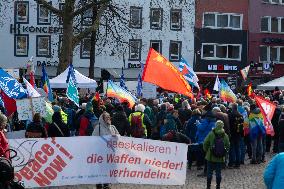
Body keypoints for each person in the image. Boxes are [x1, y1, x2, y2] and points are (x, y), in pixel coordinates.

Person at [92, 111, 119, 189]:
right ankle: (99, 183)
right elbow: (93, 138)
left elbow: (119, 136)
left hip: (111, 153)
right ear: (102, 119)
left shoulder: (113, 127)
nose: (108, 118)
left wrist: (116, 136)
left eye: (109, 116)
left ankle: (106, 184)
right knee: (101, 168)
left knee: (109, 168)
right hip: (101, 152)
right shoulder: (98, 127)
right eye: (106, 117)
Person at [203, 120, 230, 189]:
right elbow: (228, 145)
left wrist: (207, 151)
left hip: (210, 156)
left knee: (209, 173)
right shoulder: (225, 135)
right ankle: (218, 186)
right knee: (218, 173)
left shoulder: (211, 133)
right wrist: (224, 152)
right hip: (220, 158)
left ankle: (208, 186)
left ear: (216, 125)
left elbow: (205, 143)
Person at [228, 103, 244, 168]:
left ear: (232, 108)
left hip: (232, 133)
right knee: (238, 148)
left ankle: (231, 163)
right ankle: (238, 163)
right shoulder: (240, 115)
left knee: (232, 148)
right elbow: (242, 125)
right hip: (238, 134)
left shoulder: (230, 115)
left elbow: (228, 125)